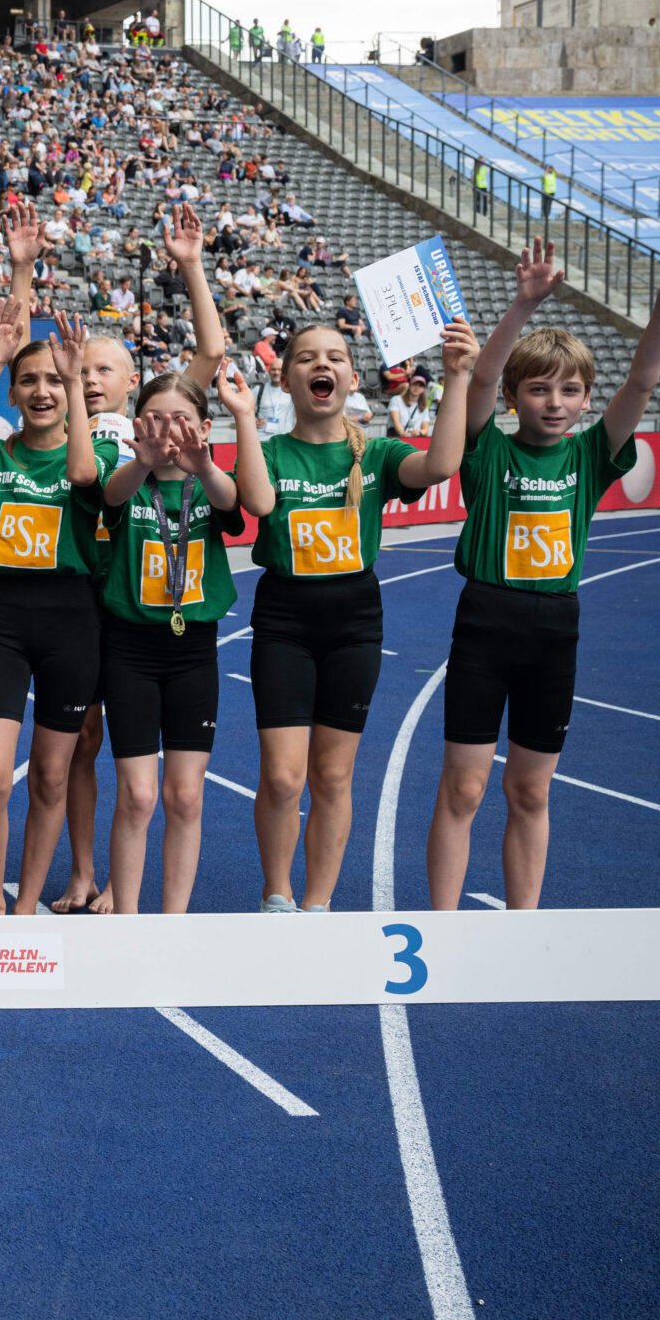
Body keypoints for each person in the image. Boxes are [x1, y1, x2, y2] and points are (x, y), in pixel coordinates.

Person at [426, 243, 660, 909]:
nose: (555, 401)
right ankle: (440, 921)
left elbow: (639, 382)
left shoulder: (591, 454)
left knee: (531, 789)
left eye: (570, 389)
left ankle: (524, 926)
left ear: (584, 399)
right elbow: (482, 382)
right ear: (518, 396)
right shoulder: (487, 447)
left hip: (554, 629)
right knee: (463, 786)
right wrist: (525, 302)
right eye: (540, 388)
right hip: (485, 623)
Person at [247, 321, 477, 913]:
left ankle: (318, 906)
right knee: (281, 777)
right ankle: (277, 897)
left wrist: (456, 377)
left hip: (353, 621)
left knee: (333, 777)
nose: (320, 366)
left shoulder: (376, 453)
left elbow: (442, 465)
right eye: (305, 358)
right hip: (284, 620)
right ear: (286, 376)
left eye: (335, 357)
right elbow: (251, 504)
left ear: (351, 378)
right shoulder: (270, 454)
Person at [90, 369, 261, 914]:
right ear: (139, 424)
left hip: (193, 652)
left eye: (182, 420)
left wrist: (204, 462)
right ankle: (128, 919)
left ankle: (174, 922)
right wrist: (139, 459)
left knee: (185, 795)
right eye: (158, 419)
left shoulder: (208, 483)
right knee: (138, 795)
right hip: (130, 651)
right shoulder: (125, 476)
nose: (170, 431)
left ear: (204, 427)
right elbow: (111, 500)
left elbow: (236, 504)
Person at [0, 299, 100, 914]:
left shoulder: (97, 455)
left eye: (53, 380)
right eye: (29, 381)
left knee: (49, 777)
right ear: (13, 393)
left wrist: (75, 381)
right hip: (7, 614)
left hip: (73, 618)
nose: (41, 391)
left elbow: (84, 475)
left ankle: (25, 909)